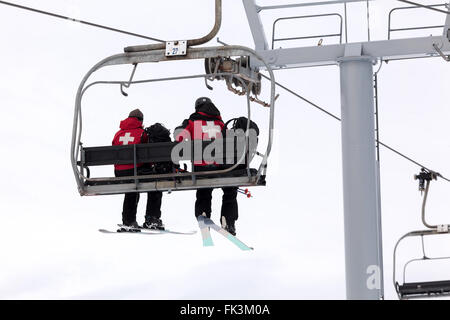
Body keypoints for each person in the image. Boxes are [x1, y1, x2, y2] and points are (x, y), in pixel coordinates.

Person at [175, 97, 238, 235]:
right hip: (221, 167)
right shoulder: (220, 123)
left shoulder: (192, 121)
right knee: (230, 191)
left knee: (204, 191)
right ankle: (228, 220)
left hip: (201, 167)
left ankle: (203, 216)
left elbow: (178, 138)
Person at [112, 109, 164, 230]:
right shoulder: (142, 133)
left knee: (131, 190)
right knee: (155, 184)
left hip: (119, 172)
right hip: (136, 171)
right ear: (140, 120)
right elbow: (148, 156)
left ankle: (128, 220)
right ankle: (152, 219)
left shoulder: (118, 134)